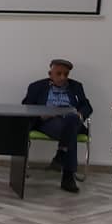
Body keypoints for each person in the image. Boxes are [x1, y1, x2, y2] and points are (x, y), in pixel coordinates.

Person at [22, 58, 92, 193]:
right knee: (70, 131)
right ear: (50, 74)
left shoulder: (76, 86)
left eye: (66, 74)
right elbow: (26, 106)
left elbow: (86, 106)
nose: (63, 77)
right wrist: (41, 115)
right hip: (49, 122)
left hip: (73, 121)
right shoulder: (36, 86)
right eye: (59, 74)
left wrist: (80, 114)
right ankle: (67, 175)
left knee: (71, 119)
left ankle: (61, 155)